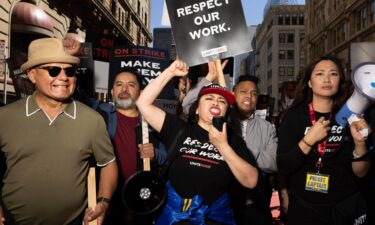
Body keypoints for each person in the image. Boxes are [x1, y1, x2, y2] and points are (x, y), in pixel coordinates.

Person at [0, 38, 118, 225]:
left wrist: (103, 202)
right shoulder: (5, 118)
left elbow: (109, 164)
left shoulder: (92, 120)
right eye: (53, 70)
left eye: (69, 71)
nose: (63, 77)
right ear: (31, 74)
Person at [136, 59, 259, 225]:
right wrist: (170, 72)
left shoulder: (232, 140)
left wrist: (222, 146)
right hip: (174, 219)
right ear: (196, 108)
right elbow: (142, 103)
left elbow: (251, 180)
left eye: (222, 101)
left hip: (215, 219)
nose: (216, 102)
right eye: (209, 98)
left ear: (225, 111)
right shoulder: (179, 129)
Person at [277, 55, 370, 225]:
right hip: (306, 208)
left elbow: (361, 173)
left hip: (345, 207)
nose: (327, 79)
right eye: (320, 74)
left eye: (333, 74)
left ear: (340, 80)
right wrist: (308, 140)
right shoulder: (293, 117)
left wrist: (360, 143)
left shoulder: (353, 115)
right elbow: (283, 166)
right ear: (310, 83)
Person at [182, 62, 277, 225]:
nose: (249, 96)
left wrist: (239, 150)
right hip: (222, 203)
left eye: (254, 93)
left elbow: (273, 163)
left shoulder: (267, 128)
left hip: (254, 204)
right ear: (233, 93)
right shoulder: (219, 120)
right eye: (244, 92)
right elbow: (187, 105)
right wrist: (209, 78)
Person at [95, 68, 167, 225]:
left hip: (141, 207)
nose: (124, 89)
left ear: (141, 92)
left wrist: (155, 154)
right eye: (119, 84)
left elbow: (168, 156)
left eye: (131, 85)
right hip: (105, 207)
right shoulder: (99, 113)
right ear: (112, 91)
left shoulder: (153, 122)